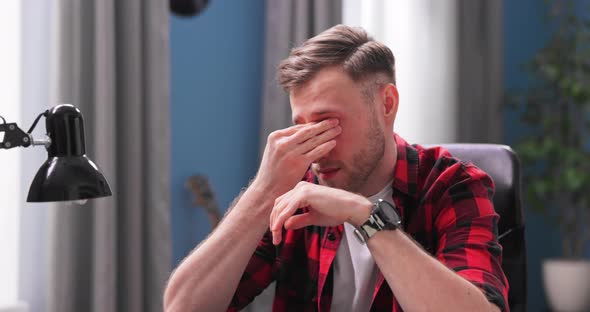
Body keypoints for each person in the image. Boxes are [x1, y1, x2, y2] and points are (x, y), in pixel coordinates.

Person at [164, 24, 509, 312]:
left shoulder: (454, 186)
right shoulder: (291, 191)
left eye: (328, 123)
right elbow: (182, 307)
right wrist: (263, 190)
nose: (316, 147)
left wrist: (365, 216)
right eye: (302, 127)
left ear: (386, 104)